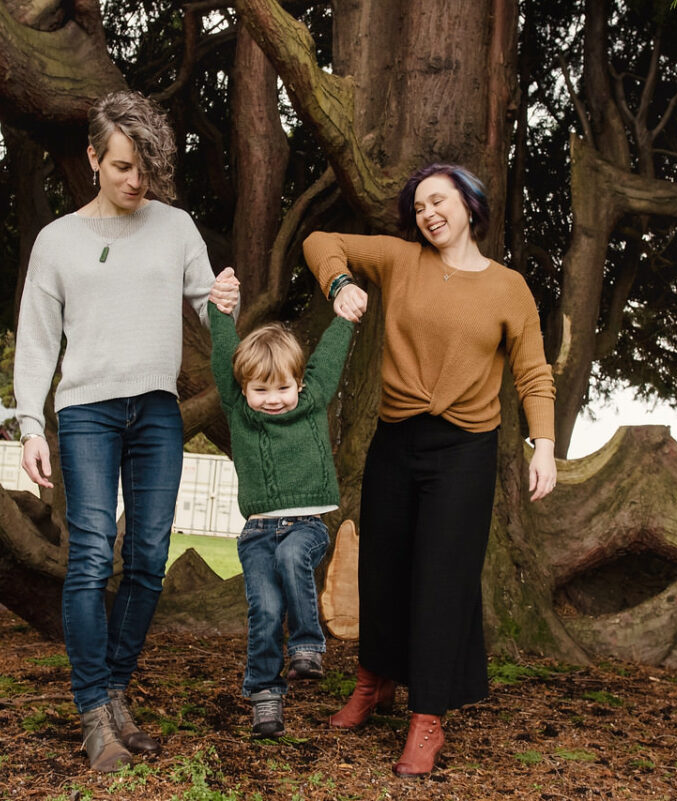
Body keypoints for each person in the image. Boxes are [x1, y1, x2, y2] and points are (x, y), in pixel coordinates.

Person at [302, 162, 557, 777]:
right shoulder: (400, 259)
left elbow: (532, 372)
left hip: (465, 451)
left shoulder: (508, 287)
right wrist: (339, 285)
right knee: (383, 569)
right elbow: (319, 242)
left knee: (443, 580)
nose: (428, 214)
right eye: (419, 207)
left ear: (469, 204)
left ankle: (428, 720)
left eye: (438, 201)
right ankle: (372, 683)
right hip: (396, 438)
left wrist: (544, 444)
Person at [13, 91, 237, 773]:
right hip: (86, 413)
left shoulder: (174, 226)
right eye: (120, 167)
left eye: (144, 168)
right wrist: (29, 422)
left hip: (157, 412)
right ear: (92, 159)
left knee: (145, 558)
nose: (135, 181)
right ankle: (92, 713)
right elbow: (37, 340)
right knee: (88, 555)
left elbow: (208, 299)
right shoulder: (58, 241)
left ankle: (115, 692)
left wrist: (223, 297)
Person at [206, 267, 354, 738]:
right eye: (260, 390)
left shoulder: (310, 404)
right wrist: (220, 309)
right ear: (243, 391)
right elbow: (222, 356)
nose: (273, 399)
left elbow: (329, 359)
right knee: (265, 612)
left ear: (299, 384)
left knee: (294, 556)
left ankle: (308, 647)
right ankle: (266, 699)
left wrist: (345, 319)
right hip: (256, 536)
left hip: (307, 526)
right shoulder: (239, 412)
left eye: (283, 388)